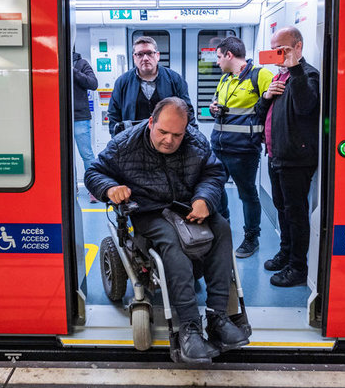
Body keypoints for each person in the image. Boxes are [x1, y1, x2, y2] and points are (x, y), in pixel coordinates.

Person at [85, 97, 248, 364]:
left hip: (186, 206)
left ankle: (218, 316)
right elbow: (94, 172)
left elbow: (214, 173)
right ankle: (189, 327)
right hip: (148, 210)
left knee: (221, 228)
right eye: (163, 132)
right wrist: (110, 188)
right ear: (151, 123)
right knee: (172, 243)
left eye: (177, 135)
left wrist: (204, 199)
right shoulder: (124, 144)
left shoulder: (195, 141)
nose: (169, 140)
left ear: (186, 130)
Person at [254, 26, 320, 287]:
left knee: (296, 213)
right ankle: (285, 252)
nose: (276, 54)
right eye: (273, 49)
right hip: (276, 155)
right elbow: (261, 114)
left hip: (296, 159)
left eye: (282, 49)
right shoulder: (278, 78)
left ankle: (297, 267)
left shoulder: (307, 75)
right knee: (282, 210)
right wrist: (266, 96)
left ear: (298, 47)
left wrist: (294, 68)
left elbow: (306, 106)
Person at [209, 37, 273, 258]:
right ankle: (222, 228)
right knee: (215, 190)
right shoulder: (225, 79)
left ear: (229, 55)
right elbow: (217, 104)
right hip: (218, 146)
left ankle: (251, 238)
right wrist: (212, 107)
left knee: (247, 194)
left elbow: (273, 107)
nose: (217, 62)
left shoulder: (260, 76)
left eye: (218, 57)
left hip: (244, 150)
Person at [107, 36, 195, 136]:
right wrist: (118, 141)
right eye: (140, 54)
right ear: (134, 58)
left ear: (157, 55)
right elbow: (113, 115)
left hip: (168, 139)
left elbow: (187, 112)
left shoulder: (175, 79)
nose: (145, 58)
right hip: (133, 141)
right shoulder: (123, 82)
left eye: (149, 53)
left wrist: (190, 140)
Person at [71, 50, 99, 203]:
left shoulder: (82, 64)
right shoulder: (55, 62)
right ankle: (71, 187)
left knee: (86, 154)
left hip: (80, 117)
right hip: (61, 117)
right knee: (66, 156)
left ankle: (93, 189)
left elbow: (93, 84)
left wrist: (73, 71)